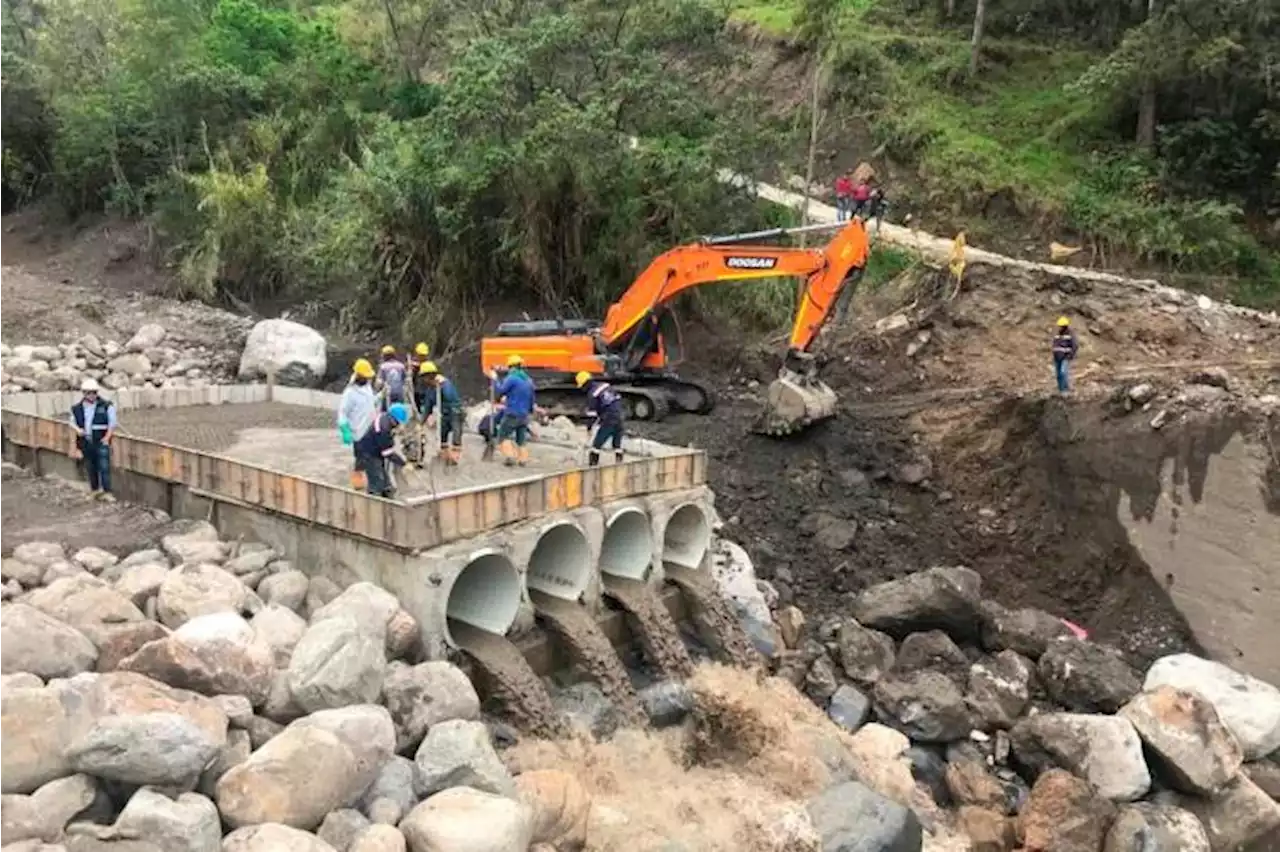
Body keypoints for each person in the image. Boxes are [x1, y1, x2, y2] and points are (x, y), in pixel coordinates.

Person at [70, 378, 117, 501]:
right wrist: (78, 432)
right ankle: (95, 490)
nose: (92, 395)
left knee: (104, 467)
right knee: (91, 467)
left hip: (101, 441)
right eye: (89, 393)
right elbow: (72, 423)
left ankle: (107, 492)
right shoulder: (77, 408)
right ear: (84, 393)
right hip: (86, 442)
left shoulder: (106, 406)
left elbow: (112, 424)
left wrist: (107, 438)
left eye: (94, 392)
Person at [354, 402, 411, 498]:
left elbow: (387, 444)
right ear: (393, 419)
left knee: (385, 482)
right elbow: (388, 453)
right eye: (398, 423)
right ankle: (374, 501)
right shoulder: (383, 428)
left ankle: (388, 494)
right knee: (377, 482)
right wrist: (404, 463)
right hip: (367, 452)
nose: (398, 425)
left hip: (374, 448)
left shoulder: (385, 418)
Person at [489, 354, 536, 467]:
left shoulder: (512, 378)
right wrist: (529, 412)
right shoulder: (528, 380)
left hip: (512, 413)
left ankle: (509, 457)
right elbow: (532, 399)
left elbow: (500, 391)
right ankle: (523, 460)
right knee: (521, 439)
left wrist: (495, 379)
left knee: (502, 436)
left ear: (512, 367)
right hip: (524, 415)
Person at [338, 358, 377, 487]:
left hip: (370, 428)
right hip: (358, 430)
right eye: (365, 377)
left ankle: (372, 480)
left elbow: (371, 402)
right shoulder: (350, 393)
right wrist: (344, 429)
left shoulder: (368, 387)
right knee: (361, 458)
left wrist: (381, 396)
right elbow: (342, 412)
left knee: (371, 457)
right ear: (359, 376)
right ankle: (357, 482)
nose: (367, 379)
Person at [416, 361, 464, 465]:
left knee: (456, 434)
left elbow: (450, 397)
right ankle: (445, 455)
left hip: (455, 411)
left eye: (424, 377)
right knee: (443, 434)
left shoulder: (445, 384)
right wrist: (421, 423)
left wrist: (441, 386)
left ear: (430, 375)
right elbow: (428, 407)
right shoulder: (430, 389)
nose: (423, 380)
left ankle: (455, 458)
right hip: (444, 414)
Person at [577, 371, 625, 466]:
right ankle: (620, 463)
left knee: (597, 444)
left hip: (609, 418)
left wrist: (589, 428)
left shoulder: (592, 394)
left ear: (585, 384)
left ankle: (593, 465)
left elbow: (592, 415)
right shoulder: (605, 385)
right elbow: (617, 398)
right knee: (617, 442)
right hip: (619, 415)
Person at [375, 345, 408, 411]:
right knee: (398, 413)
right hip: (399, 393)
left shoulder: (383, 367)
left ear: (385, 356)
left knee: (385, 413)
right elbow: (405, 379)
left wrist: (376, 391)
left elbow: (379, 382)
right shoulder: (401, 366)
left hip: (387, 395)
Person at [1052, 316, 1078, 394]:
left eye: (1061, 326)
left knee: (1063, 372)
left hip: (1065, 357)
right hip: (1057, 358)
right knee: (1058, 374)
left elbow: (1074, 346)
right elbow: (1055, 345)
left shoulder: (1070, 335)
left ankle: (1065, 390)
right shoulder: (1057, 335)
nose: (1060, 327)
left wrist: (1069, 356)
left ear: (1065, 326)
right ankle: (1061, 390)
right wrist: (1054, 353)